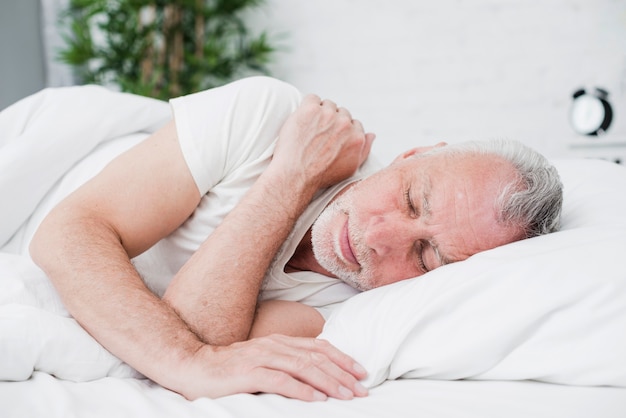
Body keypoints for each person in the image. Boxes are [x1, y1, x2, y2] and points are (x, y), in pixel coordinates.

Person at [28, 77, 562, 402]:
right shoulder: (271, 117)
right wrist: (292, 166)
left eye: (426, 256)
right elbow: (67, 232)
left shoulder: (359, 310)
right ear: (411, 156)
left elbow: (192, 336)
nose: (378, 238)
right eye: (411, 200)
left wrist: (290, 179)